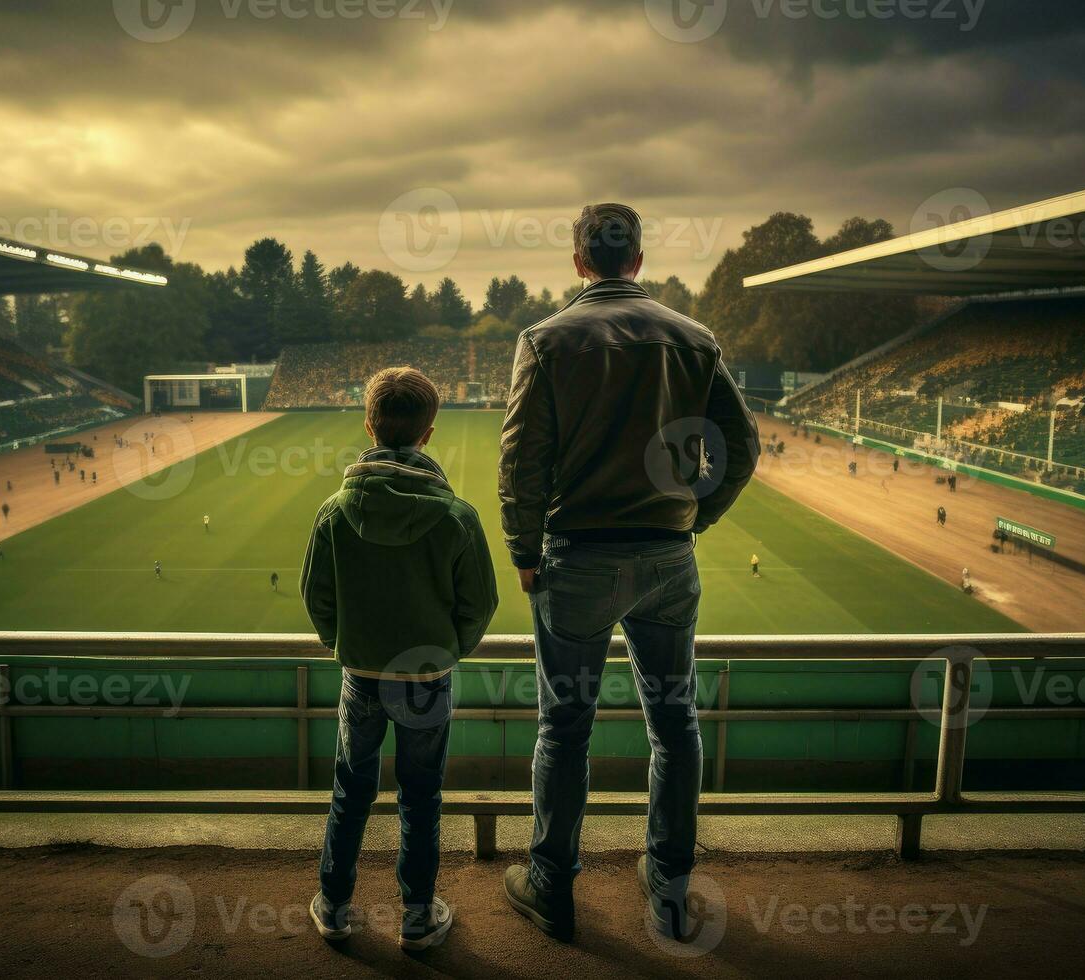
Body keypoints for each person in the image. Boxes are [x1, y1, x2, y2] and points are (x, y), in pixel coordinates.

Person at [498, 204, 759, 942]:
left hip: (577, 557)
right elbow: (739, 450)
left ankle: (552, 885)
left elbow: (522, 462)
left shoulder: (546, 340)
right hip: (668, 561)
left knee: (564, 729)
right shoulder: (694, 338)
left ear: (579, 261)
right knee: (675, 725)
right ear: (638, 260)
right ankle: (669, 888)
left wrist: (524, 552)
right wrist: (693, 522)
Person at [301, 367, 498, 950]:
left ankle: (334, 904)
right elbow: (480, 605)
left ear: (369, 424)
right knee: (421, 795)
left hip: (360, 677)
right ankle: (416, 915)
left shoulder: (334, 512)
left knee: (350, 789)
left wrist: (349, 645)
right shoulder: (457, 516)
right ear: (429, 432)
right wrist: (447, 651)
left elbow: (318, 600)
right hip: (428, 679)